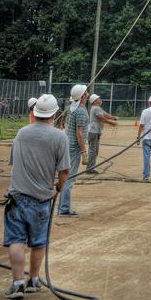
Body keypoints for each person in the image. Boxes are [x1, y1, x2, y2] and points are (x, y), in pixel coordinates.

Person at [3, 92, 70, 299]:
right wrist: (59, 187)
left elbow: (13, 161)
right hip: (42, 200)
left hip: (16, 197)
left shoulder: (22, 133)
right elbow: (65, 170)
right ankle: (33, 280)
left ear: (35, 112)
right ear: (54, 114)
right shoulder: (60, 136)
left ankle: (17, 284)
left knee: (16, 240)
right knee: (38, 242)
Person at [58, 84, 88, 216]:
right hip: (74, 147)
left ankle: (62, 207)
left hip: (67, 144)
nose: (87, 94)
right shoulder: (80, 111)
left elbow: (65, 120)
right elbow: (79, 133)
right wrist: (84, 151)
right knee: (70, 179)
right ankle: (64, 209)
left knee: (66, 177)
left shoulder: (71, 108)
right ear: (82, 96)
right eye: (86, 93)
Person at [86, 94, 117, 173]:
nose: (100, 99)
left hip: (95, 131)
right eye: (98, 98)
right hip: (94, 131)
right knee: (93, 150)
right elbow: (101, 118)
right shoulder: (96, 108)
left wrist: (113, 117)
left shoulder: (97, 108)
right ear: (94, 101)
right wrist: (111, 122)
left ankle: (91, 168)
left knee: (95, 150)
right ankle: (90, 169)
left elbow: (105, 114)